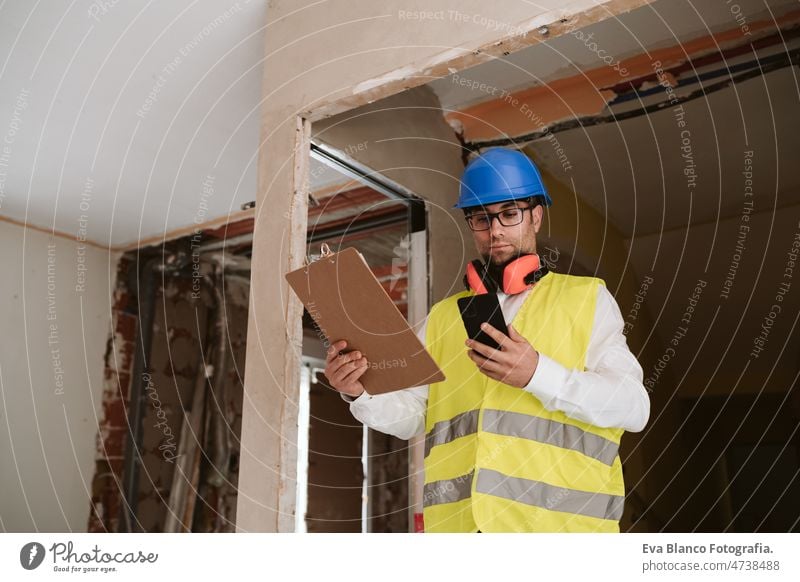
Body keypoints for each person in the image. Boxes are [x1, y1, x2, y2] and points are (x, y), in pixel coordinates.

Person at [324, 147, 650, 533]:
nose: (494, 231)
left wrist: (538, 374)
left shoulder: (586, 300)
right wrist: (360, 393)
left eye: (509, 214)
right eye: (480, 218)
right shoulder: (444, 317)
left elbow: (633, 408)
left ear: (536, 216)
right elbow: (414, 416)